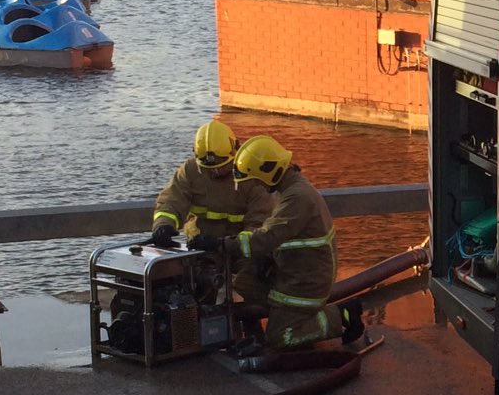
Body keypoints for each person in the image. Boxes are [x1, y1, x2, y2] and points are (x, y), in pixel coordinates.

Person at [227, 134, 363, 358]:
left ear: (268, 170)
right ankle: (284, 315)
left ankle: (340, 315)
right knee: (245, 281)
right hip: (293, 270)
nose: (257, 185)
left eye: (257, 179)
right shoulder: (288, 189)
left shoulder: (297, 198)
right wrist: (266, 259)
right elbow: (278, 235)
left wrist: (224, 244)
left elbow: (267, 237)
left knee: (280, 338)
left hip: (306, 282)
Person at [151, 120, 268, 246]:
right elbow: (170, 202)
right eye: (209, 168)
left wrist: (225, 245)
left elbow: (260, 223)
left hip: (239, 250)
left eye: (221, 165)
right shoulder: (191, 170)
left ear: (236, 151)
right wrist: (163, 225)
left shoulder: (252, 177)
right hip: (197, 246)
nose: (215, 171)